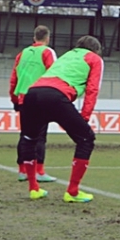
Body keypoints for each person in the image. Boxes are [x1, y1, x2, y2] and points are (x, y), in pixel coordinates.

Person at [17, 35, 102, 202]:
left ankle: (34, 189)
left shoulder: (67, 55)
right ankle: (72, 191)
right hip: (56, 95)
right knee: (86, 139)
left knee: (29, 139)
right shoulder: (95, 58)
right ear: (96, 50)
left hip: (32, 92)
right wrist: (84, 117)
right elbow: (93, 89)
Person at [10, 25, 57, 183]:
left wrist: (14, 98)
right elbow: (54, 74)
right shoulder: (47, 52)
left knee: (25, 134)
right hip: (40, 97)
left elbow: (14, 78)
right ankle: (39, 171)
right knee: (40, 136)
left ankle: (22, 170)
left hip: (23, 97)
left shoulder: (22, 54)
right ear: (47, 38)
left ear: (34, 37)